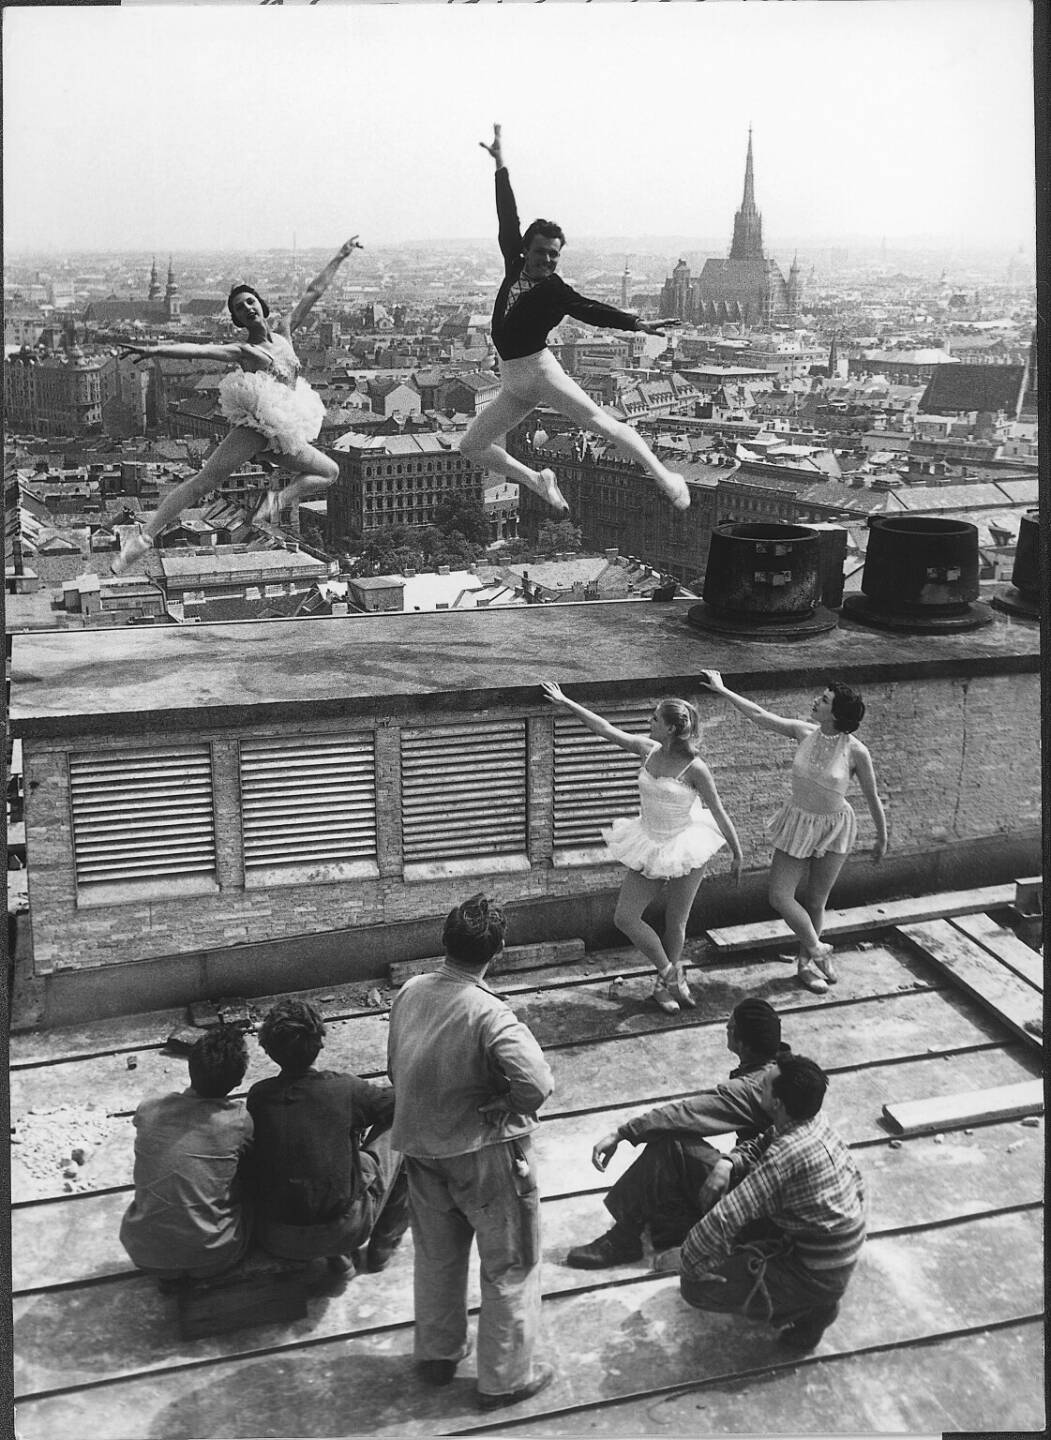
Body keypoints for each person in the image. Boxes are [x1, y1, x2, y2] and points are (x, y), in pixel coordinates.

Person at [460, 124, 689, 517]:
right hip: (513, 379)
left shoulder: (554, 290)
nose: (548, 260)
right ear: (527, 249)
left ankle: (667, 477)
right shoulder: (514, 263)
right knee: (471, 446)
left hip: (540, 372)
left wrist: (637, 324)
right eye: (543, 252)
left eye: (554, 255)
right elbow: (506, 216)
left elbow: (590, 309)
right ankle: (538, 481)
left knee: (602, 424)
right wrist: (500, 166)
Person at [387, 894, 556, 1410]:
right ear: (498, 951)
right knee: (510, 1264)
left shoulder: (411, 992)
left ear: (444, 942)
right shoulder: (490, 1013)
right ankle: (503, 1380)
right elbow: (537, 1083)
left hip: (420, 1148)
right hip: (483, 1157)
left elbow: (396, 1067)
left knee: (437, 1257)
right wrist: (506, 1103)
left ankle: (438, 1355)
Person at [112, 237, 362, 573]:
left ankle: (277, 500)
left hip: (286, 427)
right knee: (203, 482)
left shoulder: (285, 332)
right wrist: (154, 351)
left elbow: (314, 291)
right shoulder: (245, 351)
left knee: (330, 471)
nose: (247, 308)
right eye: (239, 309)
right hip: (258, 425)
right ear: (238, 320)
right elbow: (199, 351)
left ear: (261, 303)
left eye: (249, 302)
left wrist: (340, 256)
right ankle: (142, 540)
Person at [542, 682, 743, 1012]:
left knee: (676, 923)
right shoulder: (647, 749)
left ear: (671, 728)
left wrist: (737, 853)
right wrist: (565, 701)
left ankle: (663, 988)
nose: (648, 722)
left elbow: (718, 810)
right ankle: (670, 973)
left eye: (654, 718)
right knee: (626, 917)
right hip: (649, 841)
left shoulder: (696, 769)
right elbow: (605, 729)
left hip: (685, 844)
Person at [655, 1053, 866, 1354]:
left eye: (764, 1085)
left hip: (818, 1271)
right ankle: (803, 1290)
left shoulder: (787, 1155)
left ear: (778, 1103)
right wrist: (727, 1162)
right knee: (741, 1210)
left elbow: (726, 1217)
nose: (758, 1087)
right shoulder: (808, 1119)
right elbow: (762, 1142)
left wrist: (689, 1264)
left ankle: (810, 1310)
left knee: (696, 1288)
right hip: (824, 1242)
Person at [700, 670, 889, 995]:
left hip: (835, 827)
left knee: (816, 901)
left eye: (825, 700)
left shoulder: (856, 751)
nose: (817, 700)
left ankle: (806, 966)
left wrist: (882, 837)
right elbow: (760, 715)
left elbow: (872, 797)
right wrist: (722, 689)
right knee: (780, 896)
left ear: (837, 714)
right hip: (797, 822)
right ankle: (818, 949)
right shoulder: (804, 731)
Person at [566, 998, 788, 1268]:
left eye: (730, 1027)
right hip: (770, 1192)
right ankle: (679, 1225)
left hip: (758, 1208)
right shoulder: (782, 1070)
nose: (725, 1028)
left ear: (742, 1043)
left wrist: (624, 1133)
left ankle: (624, 1240)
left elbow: (685, 1115)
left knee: (672, 1146)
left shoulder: (750, 1088)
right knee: (677, 1187)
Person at [245, 998, 409, 1283]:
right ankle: (383, 1244)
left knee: (304, 1160)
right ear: (319, 1044)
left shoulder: (258, 1096)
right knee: (403, 1125)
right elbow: (402, 1103)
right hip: (347, 1230)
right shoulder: (344, 1089)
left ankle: (340, 1259)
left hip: (275, 1235)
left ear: (268, 1051)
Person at [119, 1027, 253, 1289]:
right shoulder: (238, 1121)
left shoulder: (149, 1108)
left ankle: (172, 1272)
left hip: (144, 1253)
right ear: (238, 1082)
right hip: (214, 1256)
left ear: (190, 1068)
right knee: (248, 1191)